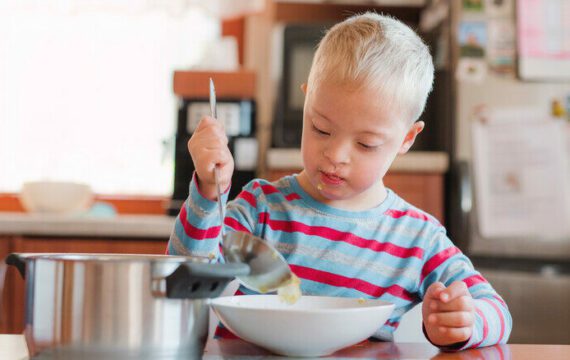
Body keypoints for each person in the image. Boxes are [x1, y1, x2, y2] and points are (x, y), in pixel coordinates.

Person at [168, 12, 511, 350]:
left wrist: (462, 322)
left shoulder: (417, 238)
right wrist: (208, 190)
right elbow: (187, 277)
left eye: (366, 144)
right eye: (320, 128)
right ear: (307, 101)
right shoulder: (261, 209)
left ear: (407, 138)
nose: (336, 155)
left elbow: (496, 312)